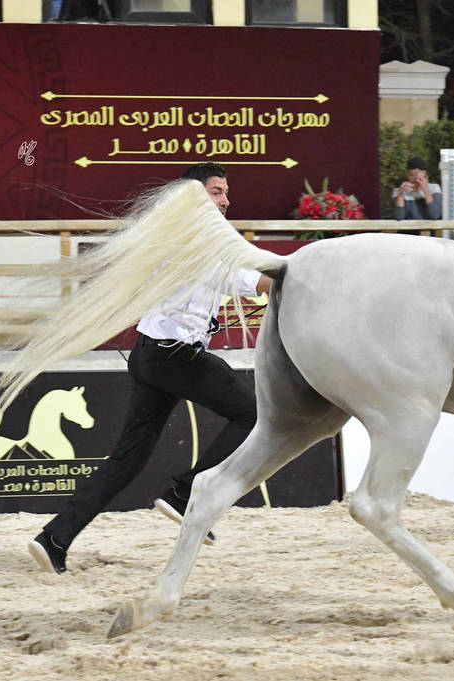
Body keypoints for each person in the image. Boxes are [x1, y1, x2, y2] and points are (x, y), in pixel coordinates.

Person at [28, 162, 272, 574]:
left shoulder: (177, 238)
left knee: (127, 459)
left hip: (150, 355)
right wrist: (300, 273)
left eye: (225, 192)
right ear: (195, 197)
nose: (226, 200)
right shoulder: (202, 245)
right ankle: (188, 495)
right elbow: (256, 282)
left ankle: (55, 537)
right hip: (177, 358)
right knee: (252, 414)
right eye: (216, 191)